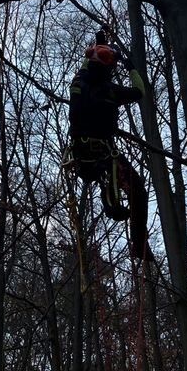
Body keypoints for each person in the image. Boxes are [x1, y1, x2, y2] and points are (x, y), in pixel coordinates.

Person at [68, 28, 153, 261]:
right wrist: (131, 67)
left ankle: (111, 200)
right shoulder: (111, 91)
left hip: (81, 155)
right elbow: (140, 92)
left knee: (116, 182)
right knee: (138, 190)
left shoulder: (78, 83)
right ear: (109, 68)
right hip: (104, 154)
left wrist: (99, 44)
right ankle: (138, 243)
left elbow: (86, 65)